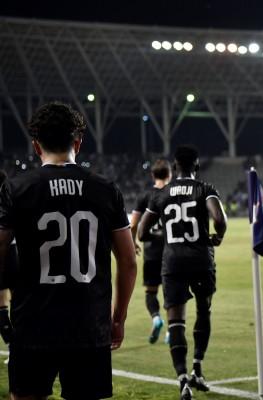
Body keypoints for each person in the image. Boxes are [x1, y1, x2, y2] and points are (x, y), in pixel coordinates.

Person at [0, 101, 137, 400]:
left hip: (33, 323)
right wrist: (118, 318)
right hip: (89, 323)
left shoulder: (17, 188)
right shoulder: (106, 189)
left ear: (36, 145)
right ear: (78, 142)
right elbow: (128, 262)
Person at [138, 145, 228, 400]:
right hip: (200, 259)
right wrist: (217, 237)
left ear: (175, 167)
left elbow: (142, 232)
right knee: (203, 311)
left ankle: (182, 380)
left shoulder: (161, 194)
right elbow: (219, 220)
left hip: (173, 262)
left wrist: (167, 234)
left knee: (176, 321)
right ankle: (197, 368)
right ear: (197, 166)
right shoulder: (204, 189)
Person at [130, 159, 172, 344]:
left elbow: (133, 225)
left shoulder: (144, 195)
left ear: (153, 175)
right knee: (171, 292)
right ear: (169, 174)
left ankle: (156, 319)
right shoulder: (173, 194)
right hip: (172, 251)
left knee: (151, 292)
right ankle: (171, 330)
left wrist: (133, 243)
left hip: (151, 252)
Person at [0, 170, 17, 347]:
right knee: (17, 297)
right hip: (13, 250)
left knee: (1, 301)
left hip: (6, 248)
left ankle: (11, 342)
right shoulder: (10, 198)